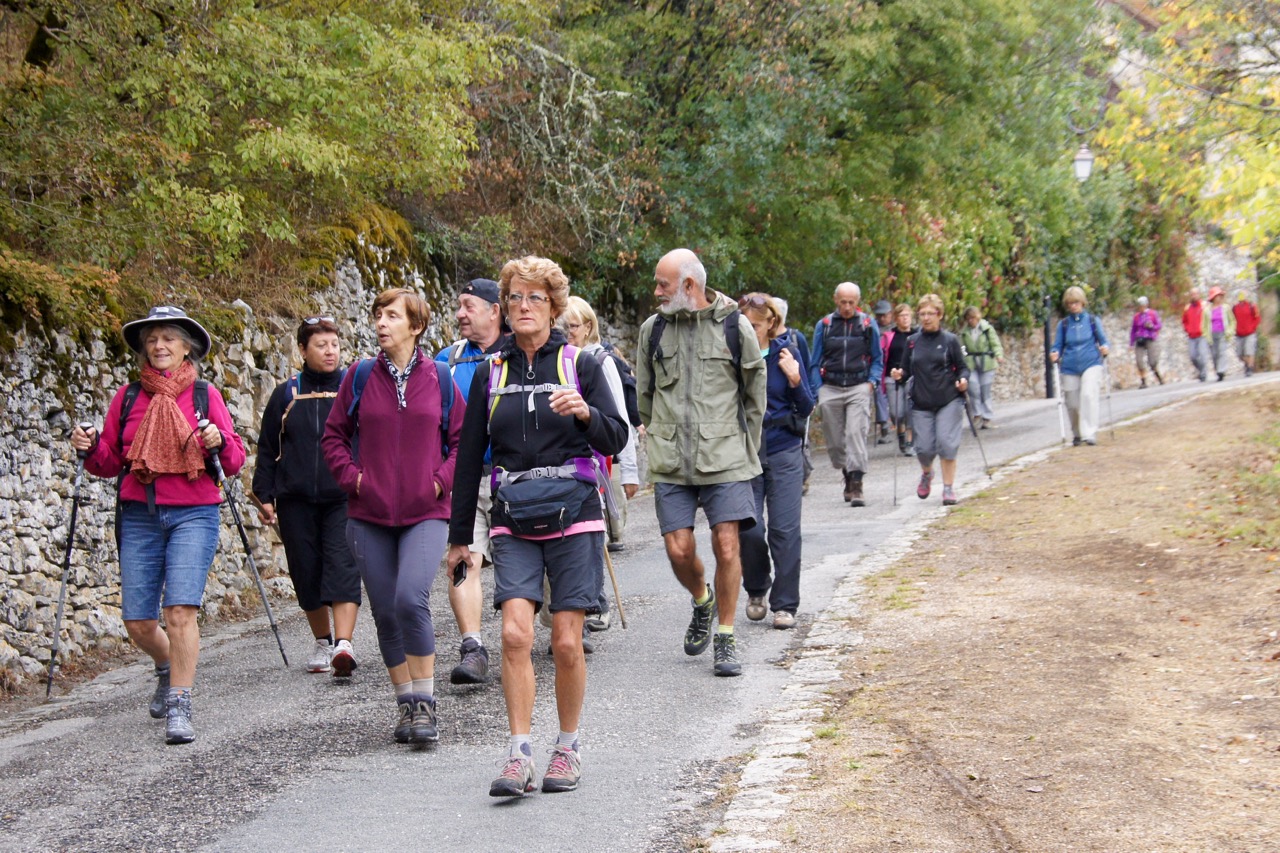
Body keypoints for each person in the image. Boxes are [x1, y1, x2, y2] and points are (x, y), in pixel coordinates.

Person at [447, 256, 627, 798]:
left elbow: (615, 437)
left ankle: (567, 746)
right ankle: (519, 752)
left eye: (537, 299)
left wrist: (584, 416)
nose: (526, 307)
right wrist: (459, 537)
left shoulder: (581, 365)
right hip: (513, 515)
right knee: (514, 633)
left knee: (568, 644)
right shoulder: (489, 372)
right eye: (517, 298)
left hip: (576, 514)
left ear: (554, 307)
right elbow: (467, 459)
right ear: (506, 309)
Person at [70, 306, 246, 745]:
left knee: (180, 610)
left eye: (169, 338)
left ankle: (180, 703)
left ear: (187, 347)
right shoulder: (128, 397)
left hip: (194, 514)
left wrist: (218, 441)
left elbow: (235, 460)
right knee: (138, 622)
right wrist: (89, 446)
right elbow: (109, 462)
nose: (159, 346)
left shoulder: (205, 396)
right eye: (152, 339)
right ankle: (167, 668)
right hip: (140, 515)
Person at [322, 288, 464, 747]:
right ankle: (405, 705)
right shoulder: (359, 376)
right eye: (378, 315)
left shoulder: (440, 377)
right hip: (368, 515)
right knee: (384, 612)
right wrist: (355, 480)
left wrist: (440, 480)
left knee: (409, 599)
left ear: (416, 326)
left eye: (392, 316)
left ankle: (425, 703)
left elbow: (461, 442)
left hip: (426, 512)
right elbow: (334, 438)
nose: (381, 323)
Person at [636, 248, 766, 678]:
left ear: (689, 286)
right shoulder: (652, 331)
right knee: (678, 549)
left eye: (663, 284)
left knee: (727, 544)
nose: (656, 291)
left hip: (725, 455)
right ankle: (702, 599)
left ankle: (726, 635)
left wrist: (742, 449)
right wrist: (659, 436)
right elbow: (646, 397)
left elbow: (754, 396)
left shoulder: (735, 326)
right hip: (673, 458)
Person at [253, 316, 361, 677]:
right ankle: (322, 639)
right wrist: (264, 493)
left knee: (343, 564)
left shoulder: (352, 388)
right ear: (302, 349)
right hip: (295, 499)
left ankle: (344, 645)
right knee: (306, 571)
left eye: (334, 344)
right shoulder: (287, 393)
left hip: (344, 495)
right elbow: (269, 447)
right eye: (321, 345)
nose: (330, 351)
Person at [434, 278, 509, 685]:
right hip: (466, 478)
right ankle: (473, 647)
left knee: (540, 567)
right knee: (465, 560)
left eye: (468, 306)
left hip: (517, 479)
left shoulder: (522, 352)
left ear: (495, 310)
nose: (460, 314)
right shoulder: (447, 360)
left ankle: (566, 619)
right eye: (459, 306)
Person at [560, 295, 640, 633]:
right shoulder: (559, 359)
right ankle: (587, 602)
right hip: (565, 459)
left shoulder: (600, 361)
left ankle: (596, 605)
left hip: (595, 459)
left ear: (588, 327)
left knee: (593, 535)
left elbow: (619, 418)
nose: (566, 333)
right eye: (560, 326)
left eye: (572, 326)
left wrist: (630, 470)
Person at [737, 293, 814, 630]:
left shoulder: (788, 352)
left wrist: (795, 379)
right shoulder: (731, 357)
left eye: (754, 325)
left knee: (785, 530)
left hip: (783, 449)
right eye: (744, 325)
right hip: (745, 452)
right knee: (750, 530)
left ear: (770, 323)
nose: (748, 331)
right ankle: (756, 590)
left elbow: (807, 406)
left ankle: (785, 605)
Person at [889, 294, 969, 505]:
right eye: (922, 313)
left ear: (939, 315)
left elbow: (963, 368)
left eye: (930, 313)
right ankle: (927, 473)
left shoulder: (950, 340)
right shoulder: (913, 342)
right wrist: (898, 374)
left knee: (946, 443)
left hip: (948, 399)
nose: (925, 318)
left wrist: (963, 380)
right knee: (923, 448)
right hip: (921, 401)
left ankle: (949, 488)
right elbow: (905, 370)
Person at [809, 282, 883, 507]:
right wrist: (817, 387)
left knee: (855, 433)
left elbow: (877, 358)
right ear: (835, 300)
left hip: (858, 386)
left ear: (858, 302)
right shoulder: (825, 325)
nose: (847, 307)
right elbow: (815, 361)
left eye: (851, 302)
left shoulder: (868, 325)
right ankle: (847, 474)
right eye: (843, 302)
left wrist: (872, 382)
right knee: (834, 440)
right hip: (830, 386)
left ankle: (857, 483)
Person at [1050, 286, 1110, 446]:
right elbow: (1057, 345)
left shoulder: (1091, 320)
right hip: (1069, 366)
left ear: (1082, 302)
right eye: (1070, 303)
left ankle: (1089, 433)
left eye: (1076, 302)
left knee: (1089, 396)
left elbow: (1103, 340)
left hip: (1091, 363)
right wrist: (1054, 352)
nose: (1073, 306)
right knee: (1073, 403)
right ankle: (1077, 433)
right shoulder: (1063, 325)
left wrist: (1105, 347)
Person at [959, 306, 1003, 428]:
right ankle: (977, 415)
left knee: (985, 391)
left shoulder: (987, 329)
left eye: (972, 318)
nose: (971, 321)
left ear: (978, 317)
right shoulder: (964, 332)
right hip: (971, 363)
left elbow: (995, 344)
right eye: (968, 318)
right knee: (973, 389)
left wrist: (999, 355)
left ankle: (987, 417)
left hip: (987, 363)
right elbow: (961, 348)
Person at [881, 303, 917, 456]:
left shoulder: (917, 336)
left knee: (911, 410)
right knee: (896, 412)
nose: (905, 319)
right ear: (896, 319)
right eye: (902, 316)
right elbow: (881, 356)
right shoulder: (888, 336)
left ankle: (909, 441)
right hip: (892, 377)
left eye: (907, 315)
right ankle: (901, 434)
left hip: (912, 377)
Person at [872, 299, 894, 444]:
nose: (882, 318)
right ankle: (884, 426)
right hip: (879, 367)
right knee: (879, 395)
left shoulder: (896, 329)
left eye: (884, 315)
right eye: (879, 315)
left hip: (893, 367)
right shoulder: (872, 329)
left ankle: (901, 426)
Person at [1128, 296, 1163, 387]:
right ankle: (1143, 381)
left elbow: (1159, 325)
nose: (1141, 307)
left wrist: (1152, 327)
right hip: (1139, 340)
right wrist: (1131, 343)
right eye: (1139, 306)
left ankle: (1158, 376)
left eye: (1142, 305)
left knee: (1152, 362)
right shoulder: (1136, 317)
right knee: (1139, 361)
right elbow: (1133, 330)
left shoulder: (1152, 314)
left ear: (1146, 305)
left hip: (1150, 339)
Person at [1203, 286, 1236, 382]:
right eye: (1217, 296)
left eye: (1220, 296)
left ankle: (1221, 371)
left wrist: (1230, 331)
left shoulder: (1226, 308)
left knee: (1222, 352)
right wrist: (1206, 335)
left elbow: (1232, 321)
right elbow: (1204, 325)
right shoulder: (1207, 310)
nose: (1218, 298)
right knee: (1214, 354)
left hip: (1223, 333)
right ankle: (1218, 370)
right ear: (1213, 298)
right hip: (1212, 334)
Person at [1181, 287, 1208, 382]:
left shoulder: (1204, 306)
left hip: (1202, 335)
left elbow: (1209, 318)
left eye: (1195, 294)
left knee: (1202, 354)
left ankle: (1203, 374)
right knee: (1192, 356)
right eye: (1192, 294)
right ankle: (1201, 370)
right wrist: (1187, 330)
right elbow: (1184, 321)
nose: (1194, 296)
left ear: (1199, 294)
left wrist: (1205, 329)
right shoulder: (1187, 308)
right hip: (1191, 336)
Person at [1233, 290, 1261, 377]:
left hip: (1250, 333)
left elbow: (1257, 318)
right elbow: (1232, 319)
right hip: (1239, 334)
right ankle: (1247, 364)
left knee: (1249, 351)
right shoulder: (1235, 308)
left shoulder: (1251, 306)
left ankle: (1249, 368)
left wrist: (1252, 327)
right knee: (1240, 354)